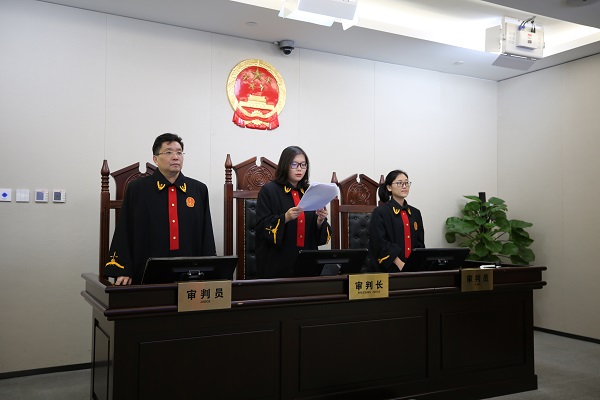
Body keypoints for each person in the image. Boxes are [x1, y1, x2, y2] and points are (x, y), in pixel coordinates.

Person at [104, 133, 216, 285]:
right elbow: (125, 229)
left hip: (190, 273)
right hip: (146, 271)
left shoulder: (198, 190)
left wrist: (209, 270)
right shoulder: (138, 189)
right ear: (155, 159)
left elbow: (206, 233)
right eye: (169, 152)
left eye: (179, 152)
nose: (175, 157)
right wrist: (124, 269)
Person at [255, 146, 331, 278]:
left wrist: (320, 221)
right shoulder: (269, 191)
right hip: (278, 261)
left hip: (306, 259)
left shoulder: (310, 191)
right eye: (294, 164)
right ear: (285, 165)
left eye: (303, 165)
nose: (299, 169)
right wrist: (285, 217)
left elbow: (316, 234)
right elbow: (261, 227)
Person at [368, 169, 424, 272]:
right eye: (399, 183)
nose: (404, 186)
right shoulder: (380, 212)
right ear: (389, 187)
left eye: (406, 183)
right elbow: (379, 243)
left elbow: (420, 243)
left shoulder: (415, 213)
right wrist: (400, 264)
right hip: (390, 268)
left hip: (413, 268)